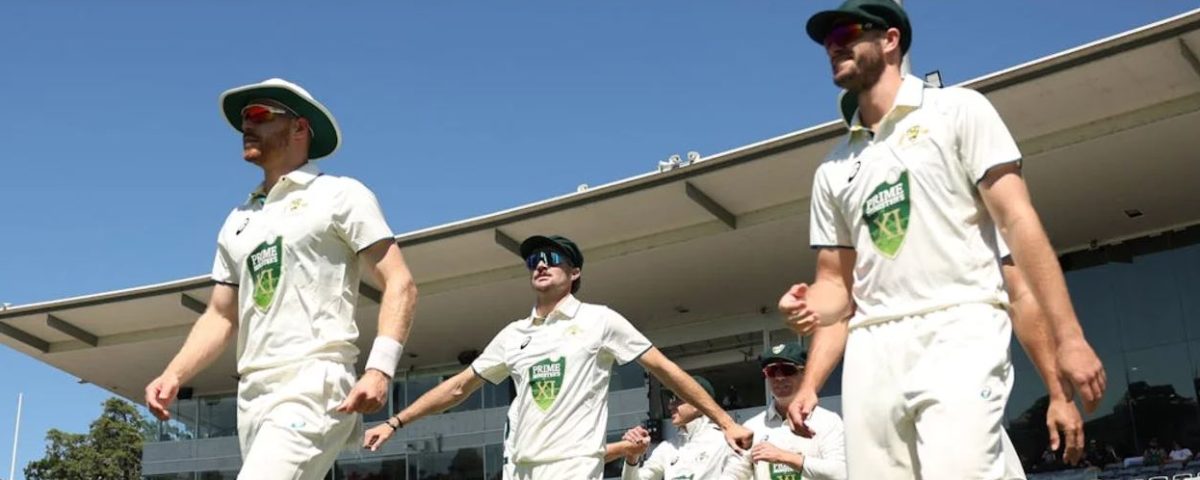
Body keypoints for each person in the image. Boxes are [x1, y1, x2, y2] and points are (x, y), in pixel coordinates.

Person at [777, 1, 1104, 476]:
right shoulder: (832, 168)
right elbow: (836, 287)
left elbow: (1019, 223)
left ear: (890, 40)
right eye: (827, 41)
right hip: (872, 348)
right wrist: (806, 308)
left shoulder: (959, 110)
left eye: (846, 32)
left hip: (960, 326)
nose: (834, 46)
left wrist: (1069, 338)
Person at [144, 78, 419, 479]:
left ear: (298, 128)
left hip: (315, 383)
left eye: (258, 115)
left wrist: (380, 368)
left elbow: (400, 283)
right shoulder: (238, 220)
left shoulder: (340, 194)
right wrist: (174, 374)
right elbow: (221, 315)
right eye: (242, 120)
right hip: (252, 396)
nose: (246, 127)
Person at [363, 235, 753, 479]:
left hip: (573, 465)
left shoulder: (600, 320)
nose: (541, 264)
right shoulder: (514, 333)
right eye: (534, 261)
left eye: (551, 257)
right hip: (520, 468)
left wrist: (724, 421)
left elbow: (663, 369)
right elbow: (458, 388)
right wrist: (396, 422)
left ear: (576, 271)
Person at [720, 343, 846, 480]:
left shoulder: (828, 421)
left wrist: (783, 456)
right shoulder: (752, 427)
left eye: (787, 370)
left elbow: (840, 473)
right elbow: (733, 474)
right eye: (772, 371)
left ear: (804, 373)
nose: (779, 378)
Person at [605, 375, 738, 480]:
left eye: (678, 399)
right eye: (671, 400)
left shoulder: (725, 441)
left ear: (700, 404)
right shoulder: (666, 448)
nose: (670, 405)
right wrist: (632, 456)